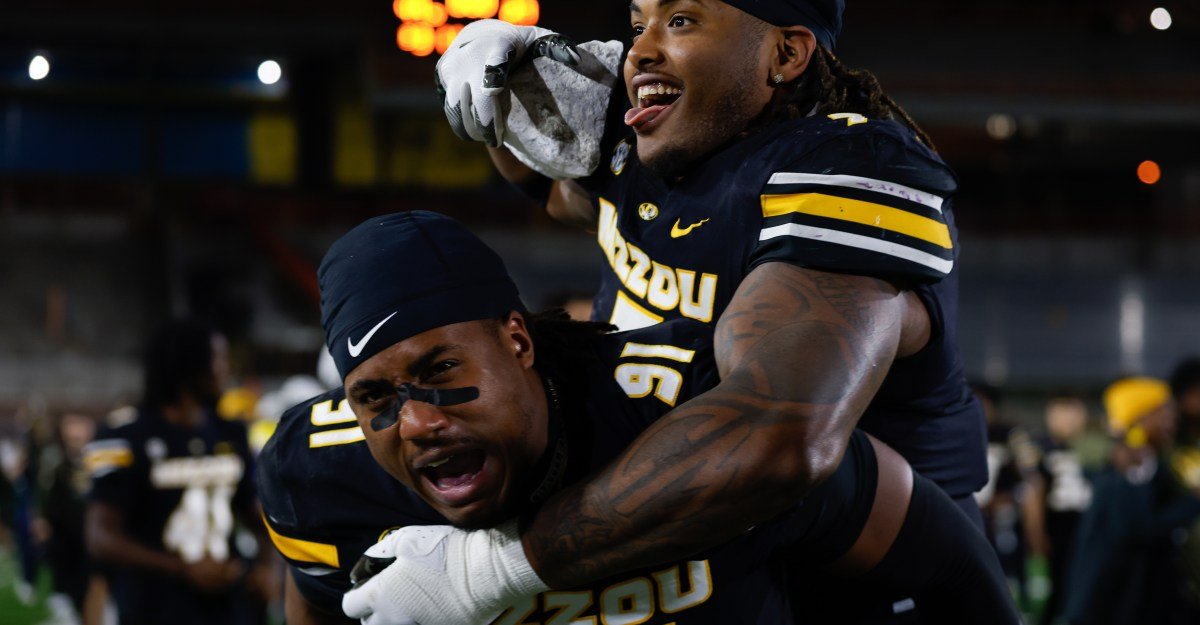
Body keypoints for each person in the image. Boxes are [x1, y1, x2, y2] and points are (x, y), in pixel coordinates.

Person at [363, 0, 989, 620]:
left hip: (860, 565)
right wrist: (493, 97)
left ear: (786, 53)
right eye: (638, 24)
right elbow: (553, 191)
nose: (640, 50)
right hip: (700, 529)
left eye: (680, 21)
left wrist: (490, 569)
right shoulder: (653, 144)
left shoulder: (846, 164)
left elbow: (775, 437)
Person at [257, 211, 1016, 625]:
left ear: (517, 340)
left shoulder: (688, 401)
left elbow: (945, 556)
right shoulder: (319, 477)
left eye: (442, 371)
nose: (417, 423)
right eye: (376, 398)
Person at [83, 320, 275, 625]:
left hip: (228, 603)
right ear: (191, 365)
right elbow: (101, 538)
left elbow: (257, 515)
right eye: (218, 358)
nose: (226, 369)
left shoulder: (230, 432)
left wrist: (266, 566)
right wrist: (181, 568)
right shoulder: (125, 435)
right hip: (153, 605)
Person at [1064, 377, 1200, 625]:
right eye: (1164, 413)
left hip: (1139, 600)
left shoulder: (1155, 463)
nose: (1171, 421)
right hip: (1109, 603)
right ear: (1141, 418)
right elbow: (1137, 528)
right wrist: (1193, 502)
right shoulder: (1121, 469)